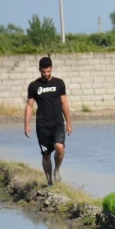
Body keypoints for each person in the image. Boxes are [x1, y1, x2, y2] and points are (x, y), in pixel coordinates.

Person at [24, 56, 72, 185]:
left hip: (57, 122)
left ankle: (57, 170)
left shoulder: (59, 83)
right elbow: (29, 105)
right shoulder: (34, 86)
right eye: (43, 72)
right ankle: (50, 182)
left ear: (51, 69)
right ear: (39, 70)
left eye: (48, 71)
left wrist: (69, 123)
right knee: (46, 155)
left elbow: (64, 104)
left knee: (59, 147)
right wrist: (27, 124)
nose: (46, 74)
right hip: (42, 125)